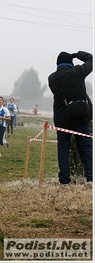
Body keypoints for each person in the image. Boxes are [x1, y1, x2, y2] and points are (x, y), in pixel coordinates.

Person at [48, 51, 93, 185]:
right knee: (85, 147)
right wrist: (78, 54)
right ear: (71, 63)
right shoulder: (77, 72)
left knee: (63, 148)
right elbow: (91, 59)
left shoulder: (52, 78)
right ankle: (90, 178)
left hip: (62, 118)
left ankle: (64, 180)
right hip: (80, 116)